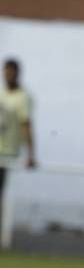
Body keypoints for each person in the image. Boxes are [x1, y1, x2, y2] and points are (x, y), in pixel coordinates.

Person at [0, 58, 36, 235]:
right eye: (5, 71)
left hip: (7, 152)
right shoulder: (1, 93)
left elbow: (26, 124)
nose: (8, 75)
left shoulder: (23, 97)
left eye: (11, 71)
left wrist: (31, 154)